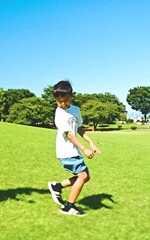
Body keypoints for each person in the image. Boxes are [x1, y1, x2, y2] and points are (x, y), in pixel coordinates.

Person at [48, 80, 100, 216]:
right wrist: (84, 149)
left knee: (85, 176)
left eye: (65, 100)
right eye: (59, 101)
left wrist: (91, 143)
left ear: (71, 96)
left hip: (73, 150)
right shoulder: (59, 113)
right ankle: (68, 207)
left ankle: (57, 186)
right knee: (82, 175)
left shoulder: (76, 110)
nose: (63, 104)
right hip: (65, 151)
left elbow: (79, 128)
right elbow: (70, 134)